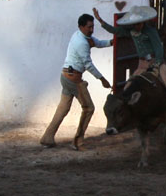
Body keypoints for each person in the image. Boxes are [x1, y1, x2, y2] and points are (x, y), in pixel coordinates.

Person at [92, 6, 166, 130]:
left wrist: (156, 64)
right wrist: (100, 20)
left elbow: (159, 50)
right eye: (135, 24)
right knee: (128, 88)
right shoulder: (131, 31)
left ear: (143, 22)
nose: (137, 26)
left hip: (156, 61)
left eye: (139, 23)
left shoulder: (151, 32)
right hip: (142, 64)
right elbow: (115, 31)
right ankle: (135, 119)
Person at [40, 13, 112, 150]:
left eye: (92, 27)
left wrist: (112, 42)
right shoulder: (81, 42)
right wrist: (102, 79)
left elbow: (97, 43)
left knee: (63, 108)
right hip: (74, 79)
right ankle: (78, 142)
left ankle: (47, 138)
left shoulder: (81, 36)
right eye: (89, 27)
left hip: (66, 76)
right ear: (81, 27)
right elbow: (88, 64)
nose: (91, 30)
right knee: (89, 108)